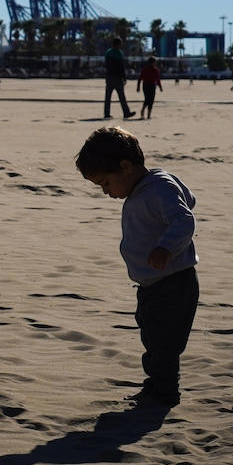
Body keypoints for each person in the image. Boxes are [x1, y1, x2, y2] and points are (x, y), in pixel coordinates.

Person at [75, 126, 199, 408]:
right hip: (152, 285)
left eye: (106, 183)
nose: (106, 192)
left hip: (174, 283)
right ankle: (155, 386)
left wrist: (166, 247)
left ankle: (165, 394)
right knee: (153, 339)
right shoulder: (144, 189)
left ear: (126, 166)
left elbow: (184, 219)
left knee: (164, 344)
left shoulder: (159, 187)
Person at [103, 37, 136, 120]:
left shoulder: (108, 52)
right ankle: (126, 112)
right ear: (119, 44)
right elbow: (121, 66)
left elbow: (106, 65)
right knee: (121, 96)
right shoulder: (118, 53)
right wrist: (124, 77)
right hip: (117, 77)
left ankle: (107, 113)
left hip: (109, 76)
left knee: (108, 96)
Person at [136, 56, 163, 120]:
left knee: (150, 100)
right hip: (148, 85)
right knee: (148, 99)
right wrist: (138, 87)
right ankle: (144, 111)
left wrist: (160, 87)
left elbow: (158, 80)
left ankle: (148, 115)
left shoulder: (154, 70)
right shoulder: (151, 69)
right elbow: (140, 78)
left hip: (150, 86)